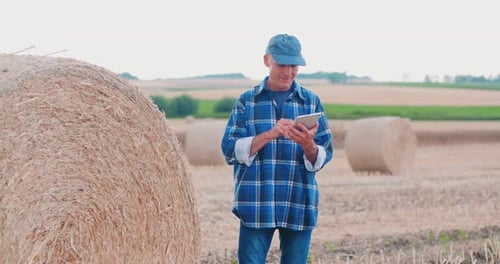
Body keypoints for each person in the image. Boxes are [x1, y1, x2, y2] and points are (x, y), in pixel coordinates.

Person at [220, 33, 334, 264]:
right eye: (282, 64)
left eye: (294, 65)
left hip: (298, 200)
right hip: (256, 202)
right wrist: (269, 134)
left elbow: (325, 154)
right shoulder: (247, 101)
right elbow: (229, 150)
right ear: (267, 61)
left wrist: (308, 144)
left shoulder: (311, 102)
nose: (288, 71)